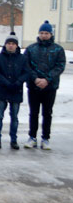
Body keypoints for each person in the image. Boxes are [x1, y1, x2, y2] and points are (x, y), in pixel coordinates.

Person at [23, 20, 66, 150]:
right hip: (34, 86)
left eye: (46, 33)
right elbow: (26, 65)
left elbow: (60, 66)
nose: (44, 35)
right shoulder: (31, 49)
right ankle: (32, 137)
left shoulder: (58, 49)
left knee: (47, 113)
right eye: (42, 33)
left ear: (51, 34)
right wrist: (36, 79)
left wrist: (47, 79)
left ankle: (46, 138)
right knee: (33, 113)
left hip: (50, 87)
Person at [0, 32, 30, 150]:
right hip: (2, 90)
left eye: (13, 43)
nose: (11, 45)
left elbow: (27, 72)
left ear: (17, 45)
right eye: (9, 43)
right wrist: (6, 82)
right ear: (5, 45)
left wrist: (18, 82)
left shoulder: (23, 58)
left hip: (16, 90)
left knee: (14, 117)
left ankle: (13, 140)